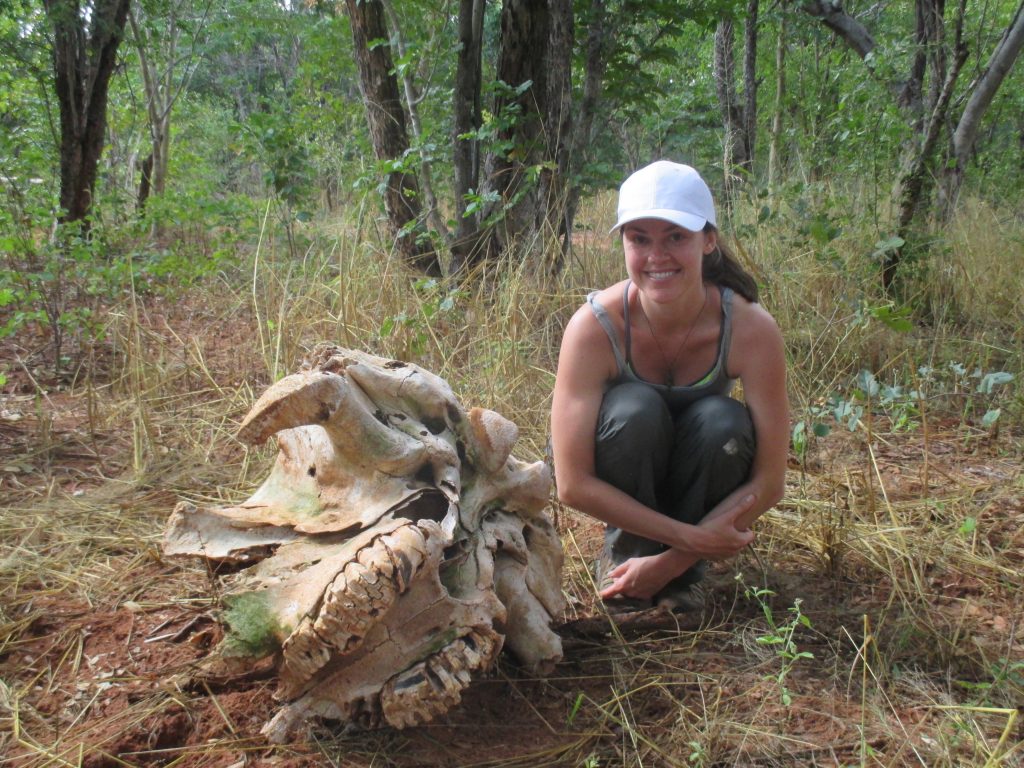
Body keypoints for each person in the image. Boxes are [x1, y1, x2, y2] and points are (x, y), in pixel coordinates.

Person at [550, 161, 788, 612]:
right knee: (633, 410)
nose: (656, 256)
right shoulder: (594, 327)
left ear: (708, 240)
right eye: (640, 239)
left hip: (701, 457)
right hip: (627, 452)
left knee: (723, 422)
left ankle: (680, 581)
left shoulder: (750, 327)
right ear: (623, 243)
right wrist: (694, 539)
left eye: (676, 237)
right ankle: (625, 559)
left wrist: (675, 561)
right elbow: (572, 483)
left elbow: (770, 481)